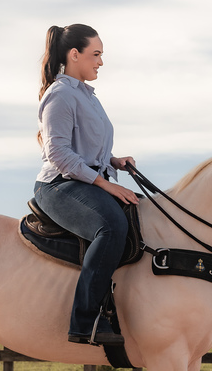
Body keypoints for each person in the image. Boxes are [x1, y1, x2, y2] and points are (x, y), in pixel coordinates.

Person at [33, 24, 139, 345]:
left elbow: (86, 150)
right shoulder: (60, 94)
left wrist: (114, 161)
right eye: (96, 55)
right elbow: (58, 154)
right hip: (58, 186)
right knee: (112, 227)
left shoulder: (87, 96)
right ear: (74, 55)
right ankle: (85, 321)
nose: (100, 62)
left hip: (86, 180)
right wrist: (106, 185)